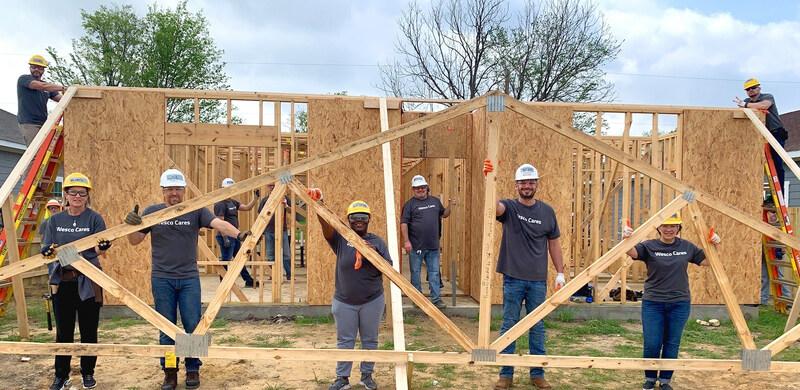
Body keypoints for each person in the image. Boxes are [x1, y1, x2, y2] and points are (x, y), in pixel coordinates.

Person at [124, 169, 247, 390]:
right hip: (162, 278)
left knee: (193, 324)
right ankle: (170, 371)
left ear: (184, 191)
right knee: (166, 326)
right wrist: (132, 225)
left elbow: (219, 224)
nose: (174, 194)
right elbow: (134, 241)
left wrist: (239, 235)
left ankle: (193, 369)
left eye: (178, 189)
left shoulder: (195, 210)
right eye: (169, 189)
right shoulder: (153, 212)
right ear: (163, 191)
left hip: (189, 278)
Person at [486, 162, 565, 390]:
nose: (527, 186)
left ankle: (537, 373)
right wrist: (489, 178)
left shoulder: (547, 212)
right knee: (509, 325)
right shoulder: (509, 208)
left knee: (537, 326)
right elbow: (493, 207)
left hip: (537, 280)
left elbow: (554, 244)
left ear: (536, 184)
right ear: (517, 185)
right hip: (513, 278)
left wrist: (559, 271)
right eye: (523, 183)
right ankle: (505, 375)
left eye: (531, 182)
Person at [621, 214, 720, 390]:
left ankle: (665, 380)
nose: (669, 229)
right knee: (652, 342)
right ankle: (650, 379)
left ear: (678, 228)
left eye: (673, 226)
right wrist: (627, 238)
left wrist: (715, 245)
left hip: (679, 303)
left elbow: (706, 262)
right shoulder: (649, 246)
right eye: (665, 226)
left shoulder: (686, 247)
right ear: (659, 228)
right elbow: (632, 252)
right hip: (653, 302)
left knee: (672, 342)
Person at [312, 193, 391, 390]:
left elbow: (388, 267)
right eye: (355, 217)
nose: (359, 221)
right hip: (344, 301)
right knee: (345, 341)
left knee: (370, 339)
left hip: (372, 300)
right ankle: (342, 378)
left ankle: (366, 376)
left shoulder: (377, 241)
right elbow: (326, 227)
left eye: (363, 217)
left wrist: (373, 252)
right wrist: (318, 205)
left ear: (369, 220)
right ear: (348, 219)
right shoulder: (341, 238)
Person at [41, 173, 110, 390]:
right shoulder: (54, 221)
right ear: (66, 195)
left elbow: (99, 250)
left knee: (89, 330)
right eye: (73, 192)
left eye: (82, 193)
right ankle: (62, 375)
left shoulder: (95, 219)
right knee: (64, 331)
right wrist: (48, 252)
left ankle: (88, 372)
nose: (78, 197)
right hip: (64, 281)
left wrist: (103, 247)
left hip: (89, 281)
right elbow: (48, 251)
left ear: (87, 196)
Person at [400, 174, 451, 309]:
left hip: (433, 246)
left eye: (422, 187)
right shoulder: (409, 205)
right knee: (415, 273)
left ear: (427, 187)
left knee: (434, 273)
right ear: (413, 189)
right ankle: (418, 299)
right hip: (416, 246)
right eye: (417, 188)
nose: (420, 190)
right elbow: (404, 223)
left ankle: (436, 299)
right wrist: (406, 241)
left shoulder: (435, 201)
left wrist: (451, 206)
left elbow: (444, 214)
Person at [734, 78, 788, 186]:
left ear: (759, 88)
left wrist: (744, 105)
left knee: (777, 164)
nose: (751, 90)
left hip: (775, 133)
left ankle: (779, 194)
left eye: (753, 88)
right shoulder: (748, 101)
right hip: (759, 136)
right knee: (758, 164)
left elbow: (764, 105)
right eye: (748, 89)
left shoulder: (767, 97)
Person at [214, 177, 260, 287]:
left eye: (231, 189)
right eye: (227, 189)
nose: (229, 191)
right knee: (226, 259)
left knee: (239, 258)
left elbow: (247, 208)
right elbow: (220, 223)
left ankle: (248, 280)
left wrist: (255, 198)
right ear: (223, 189)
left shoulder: (233, 202)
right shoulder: (220, 204)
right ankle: (224, 282)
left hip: (235, 236)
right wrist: (225, 238)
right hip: (225, 236)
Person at [17, 54, 65, 146]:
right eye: (34, 67)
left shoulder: (47, 87)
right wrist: (63, 88)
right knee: (34, 152)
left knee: (45, 151)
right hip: (29, 123)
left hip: (43, 123)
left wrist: (72, 95)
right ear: (30, 67)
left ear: (43, 69)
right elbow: (40, 86)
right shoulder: (24, 79)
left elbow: (60, 99)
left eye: (39, 68)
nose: (36, 70)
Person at [257, 182, 292, 280]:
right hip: (269, 231)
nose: (272, 187)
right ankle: (272, 275)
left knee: (286, 254)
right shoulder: (264, 201)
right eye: (270, 185)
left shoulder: (284, 199)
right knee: (270, 255)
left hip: (282, 230)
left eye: (274, 185)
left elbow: (292, 211)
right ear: (267, 187)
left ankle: (289, 274)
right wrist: (261, 231)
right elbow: (260, 216)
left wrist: (286, 206)